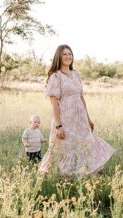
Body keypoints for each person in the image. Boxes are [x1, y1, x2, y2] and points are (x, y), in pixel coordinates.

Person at [39, 44, 115, 177]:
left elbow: (81, 98)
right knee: (64, 148)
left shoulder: (75, 74)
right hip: (65, 120)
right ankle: (62, 179)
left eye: (70, 54)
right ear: (59, 57)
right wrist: (59, 126)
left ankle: (84, 174)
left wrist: (88, 119)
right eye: (64, 54)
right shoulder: (55, 77)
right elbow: (54, 103)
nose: (68, 56)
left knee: (86, 144)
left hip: (80, 121)